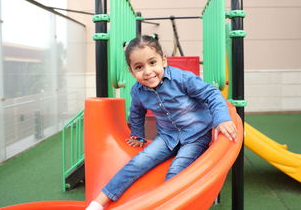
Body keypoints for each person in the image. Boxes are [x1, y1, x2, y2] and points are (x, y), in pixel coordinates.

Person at [86, 35, 238, 210]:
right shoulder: (138, 92)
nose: (148, 71)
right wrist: (137, 135)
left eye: (152, 63)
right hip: (167, 137)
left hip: (196, 135)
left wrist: (222, 119)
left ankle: (168, 205)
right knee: (138, 162)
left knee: (177, 169)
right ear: (131, 71)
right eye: (139, 67)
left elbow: (211, 93)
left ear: (163, 60)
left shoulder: (181, 78)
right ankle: (99, 202)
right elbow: (136, 113)